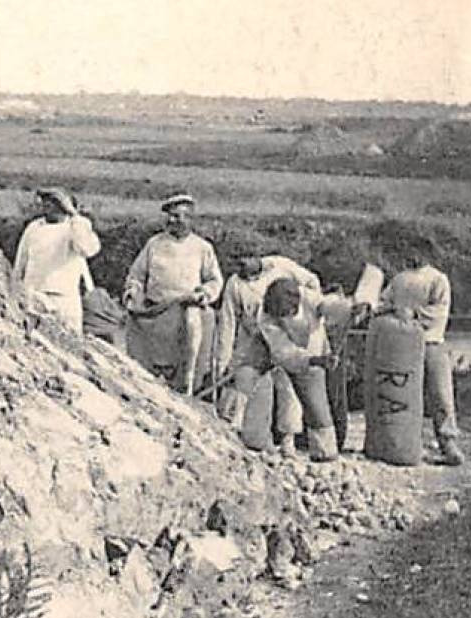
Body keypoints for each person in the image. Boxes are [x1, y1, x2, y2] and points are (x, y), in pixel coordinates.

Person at [213, 250, 321, 436]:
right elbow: (227, 324)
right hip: (254, 339)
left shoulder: (280, 266)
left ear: (255, 257)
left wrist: (305, 313)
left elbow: (312, 282)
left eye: (245, 259)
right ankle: (232, 427)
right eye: (237, 262)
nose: (242, 265)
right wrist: (223, 363)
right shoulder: (235, 283)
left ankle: (289, 440)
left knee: (288, 387)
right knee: (242, 377)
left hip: (285, 335)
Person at [123, 195, 223, 395]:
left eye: (178, 217)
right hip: (156, 311)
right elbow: (136, 275)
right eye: (169, 216)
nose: (172, 221)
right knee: (144, 357)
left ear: (190, 219)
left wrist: (204, 293)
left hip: (186, 310)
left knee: (191, 343)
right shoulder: (154, 244)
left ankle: (187, 387)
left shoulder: (202, 247)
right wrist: (133, 291)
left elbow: (214, 280)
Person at [379, 232, 463, 465]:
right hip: (401, 347)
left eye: (415, 251)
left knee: (440, 393)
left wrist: (414, 313)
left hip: (431, 341)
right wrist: (381, 310)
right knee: (400, 393)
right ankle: (402, 443)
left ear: (425, 253)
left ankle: (448, 442)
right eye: (408, 251)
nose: (411, 255)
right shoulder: (399, 279)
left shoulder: (438, 279)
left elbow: (440, 311)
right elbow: (384, 303)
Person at [254, 278, 340, 462]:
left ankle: (325, 452)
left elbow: (328, 306)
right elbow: (283, 351)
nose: (287, 314)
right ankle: (288, 443)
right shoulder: (265, 318)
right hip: (290, 359)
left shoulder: (307, 296)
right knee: (291, 397)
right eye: (283, 312)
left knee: (320, 403)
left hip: (317, 345)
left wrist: (346, 310)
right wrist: (312, 360)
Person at [11, 186, 101, 333]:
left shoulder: (76, 226)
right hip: (34, 295)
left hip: (64, 298)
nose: (48, 206)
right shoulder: (34, 227)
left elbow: (86, 249)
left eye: (54, 202)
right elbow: (21, 262)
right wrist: (17, 291)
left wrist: (74, 215)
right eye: (46, 201)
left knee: (68, 340)